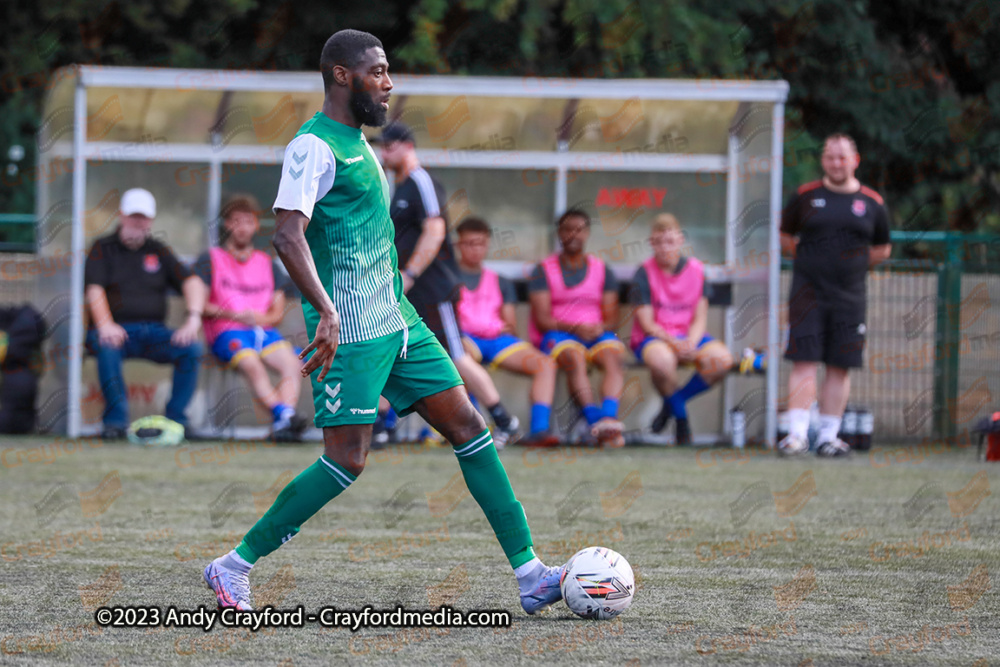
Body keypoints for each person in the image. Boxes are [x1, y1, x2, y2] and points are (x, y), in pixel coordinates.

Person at [203, 29, 565, 615]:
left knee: (470, 428)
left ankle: (530, 575)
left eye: (388, 71)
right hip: (350, 334)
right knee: (346, 459)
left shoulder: (362, 145)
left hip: (399, 323)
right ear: (342, 76)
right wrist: (324, 310)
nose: (388, 83)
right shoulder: (312, 147)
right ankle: (232, 566)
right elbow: (287, 235)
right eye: (377, 71)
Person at [375, 121, 521, 447]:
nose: (383, 153)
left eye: (389, 146)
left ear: (408, 146)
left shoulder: (421, 180)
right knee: (392, 353)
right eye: (382, 147)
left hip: (434, 291)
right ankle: (381, 427)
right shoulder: (397, 186)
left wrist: (409, 274)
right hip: (407, 295)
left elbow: (435, 230)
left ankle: (504, 420)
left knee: (456, 358)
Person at [777, 133, 891, 457]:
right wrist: (814, 259)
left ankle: (829, 437)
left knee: (840, 366)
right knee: (804, 362)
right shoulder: (804, 196)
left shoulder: (872, 202)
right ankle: (796, 436)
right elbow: (785, 237)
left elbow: (882, 249)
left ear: (855, 160)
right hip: (807, 293)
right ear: (823, 160)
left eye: (842, 157)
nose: (836, 163)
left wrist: (850, 265)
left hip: (850, 297)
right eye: (830, 156)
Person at [83, 188, 205, 440]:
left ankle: (177, 421)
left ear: (150, 220)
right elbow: (94, 290)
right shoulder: (102, 247)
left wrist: (193, 319)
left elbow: (192, 282)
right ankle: (115, 424)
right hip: (116, 331)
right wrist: (105, 325)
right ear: (122, 216)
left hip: (153, 334)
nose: (138, 222)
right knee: (107, 345)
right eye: (133, 216)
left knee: (191, 349)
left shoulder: (158, 249)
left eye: (143, 217)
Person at [194, 194, 307, 441]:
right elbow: (199, 304)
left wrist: (259, 318)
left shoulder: (268, 264)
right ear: (226, 224)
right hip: (226, 333)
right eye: (236, 221)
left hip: (263, 332)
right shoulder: (210, 259)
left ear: (256, 225)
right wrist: (234, 314)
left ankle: (282, 422)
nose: (242, 227)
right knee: (252, 365)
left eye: (247, 221)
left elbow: (276, 313)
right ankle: (285, 417)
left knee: (293, 364)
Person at [455, 217, 560, 447]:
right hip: (467, 341)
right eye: (469, 243)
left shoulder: (499, 281)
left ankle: (538, 432)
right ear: (459, 245)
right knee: (460, 358)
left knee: (546, 364)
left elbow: (510, 325)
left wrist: (490, 327)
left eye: (480, 243)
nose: (475, 249)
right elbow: (449, 324)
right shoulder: (449, 278)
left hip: (496, 340)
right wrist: (479, 326)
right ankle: (474, 429)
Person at [630, 213, 733, 445]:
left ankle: (673, 403)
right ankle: (682, 420)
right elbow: (647, 323)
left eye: (670, 241)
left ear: (680, 240)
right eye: (659, 242)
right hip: (654, 338)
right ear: (652, 244)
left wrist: (690, 342)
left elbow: (700, 316)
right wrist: (674, 342)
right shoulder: (643, 273)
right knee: (663, 362)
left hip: (689, 337)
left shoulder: (696, 270)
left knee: (722, 360)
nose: (665, 248)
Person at [528, 209, 626, 448]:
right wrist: (575, 328)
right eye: (568, 229)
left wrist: (598, 327)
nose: (574, 234)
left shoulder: (603, 269)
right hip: (559, 334)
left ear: (588, 233)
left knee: (614, 357)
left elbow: (612, 319)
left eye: (580, 229)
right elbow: (542, 319)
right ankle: (595, 420)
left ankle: (608, 419)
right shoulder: (543, 270)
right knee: (575, 360)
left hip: (595, 332)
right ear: (559, 233)